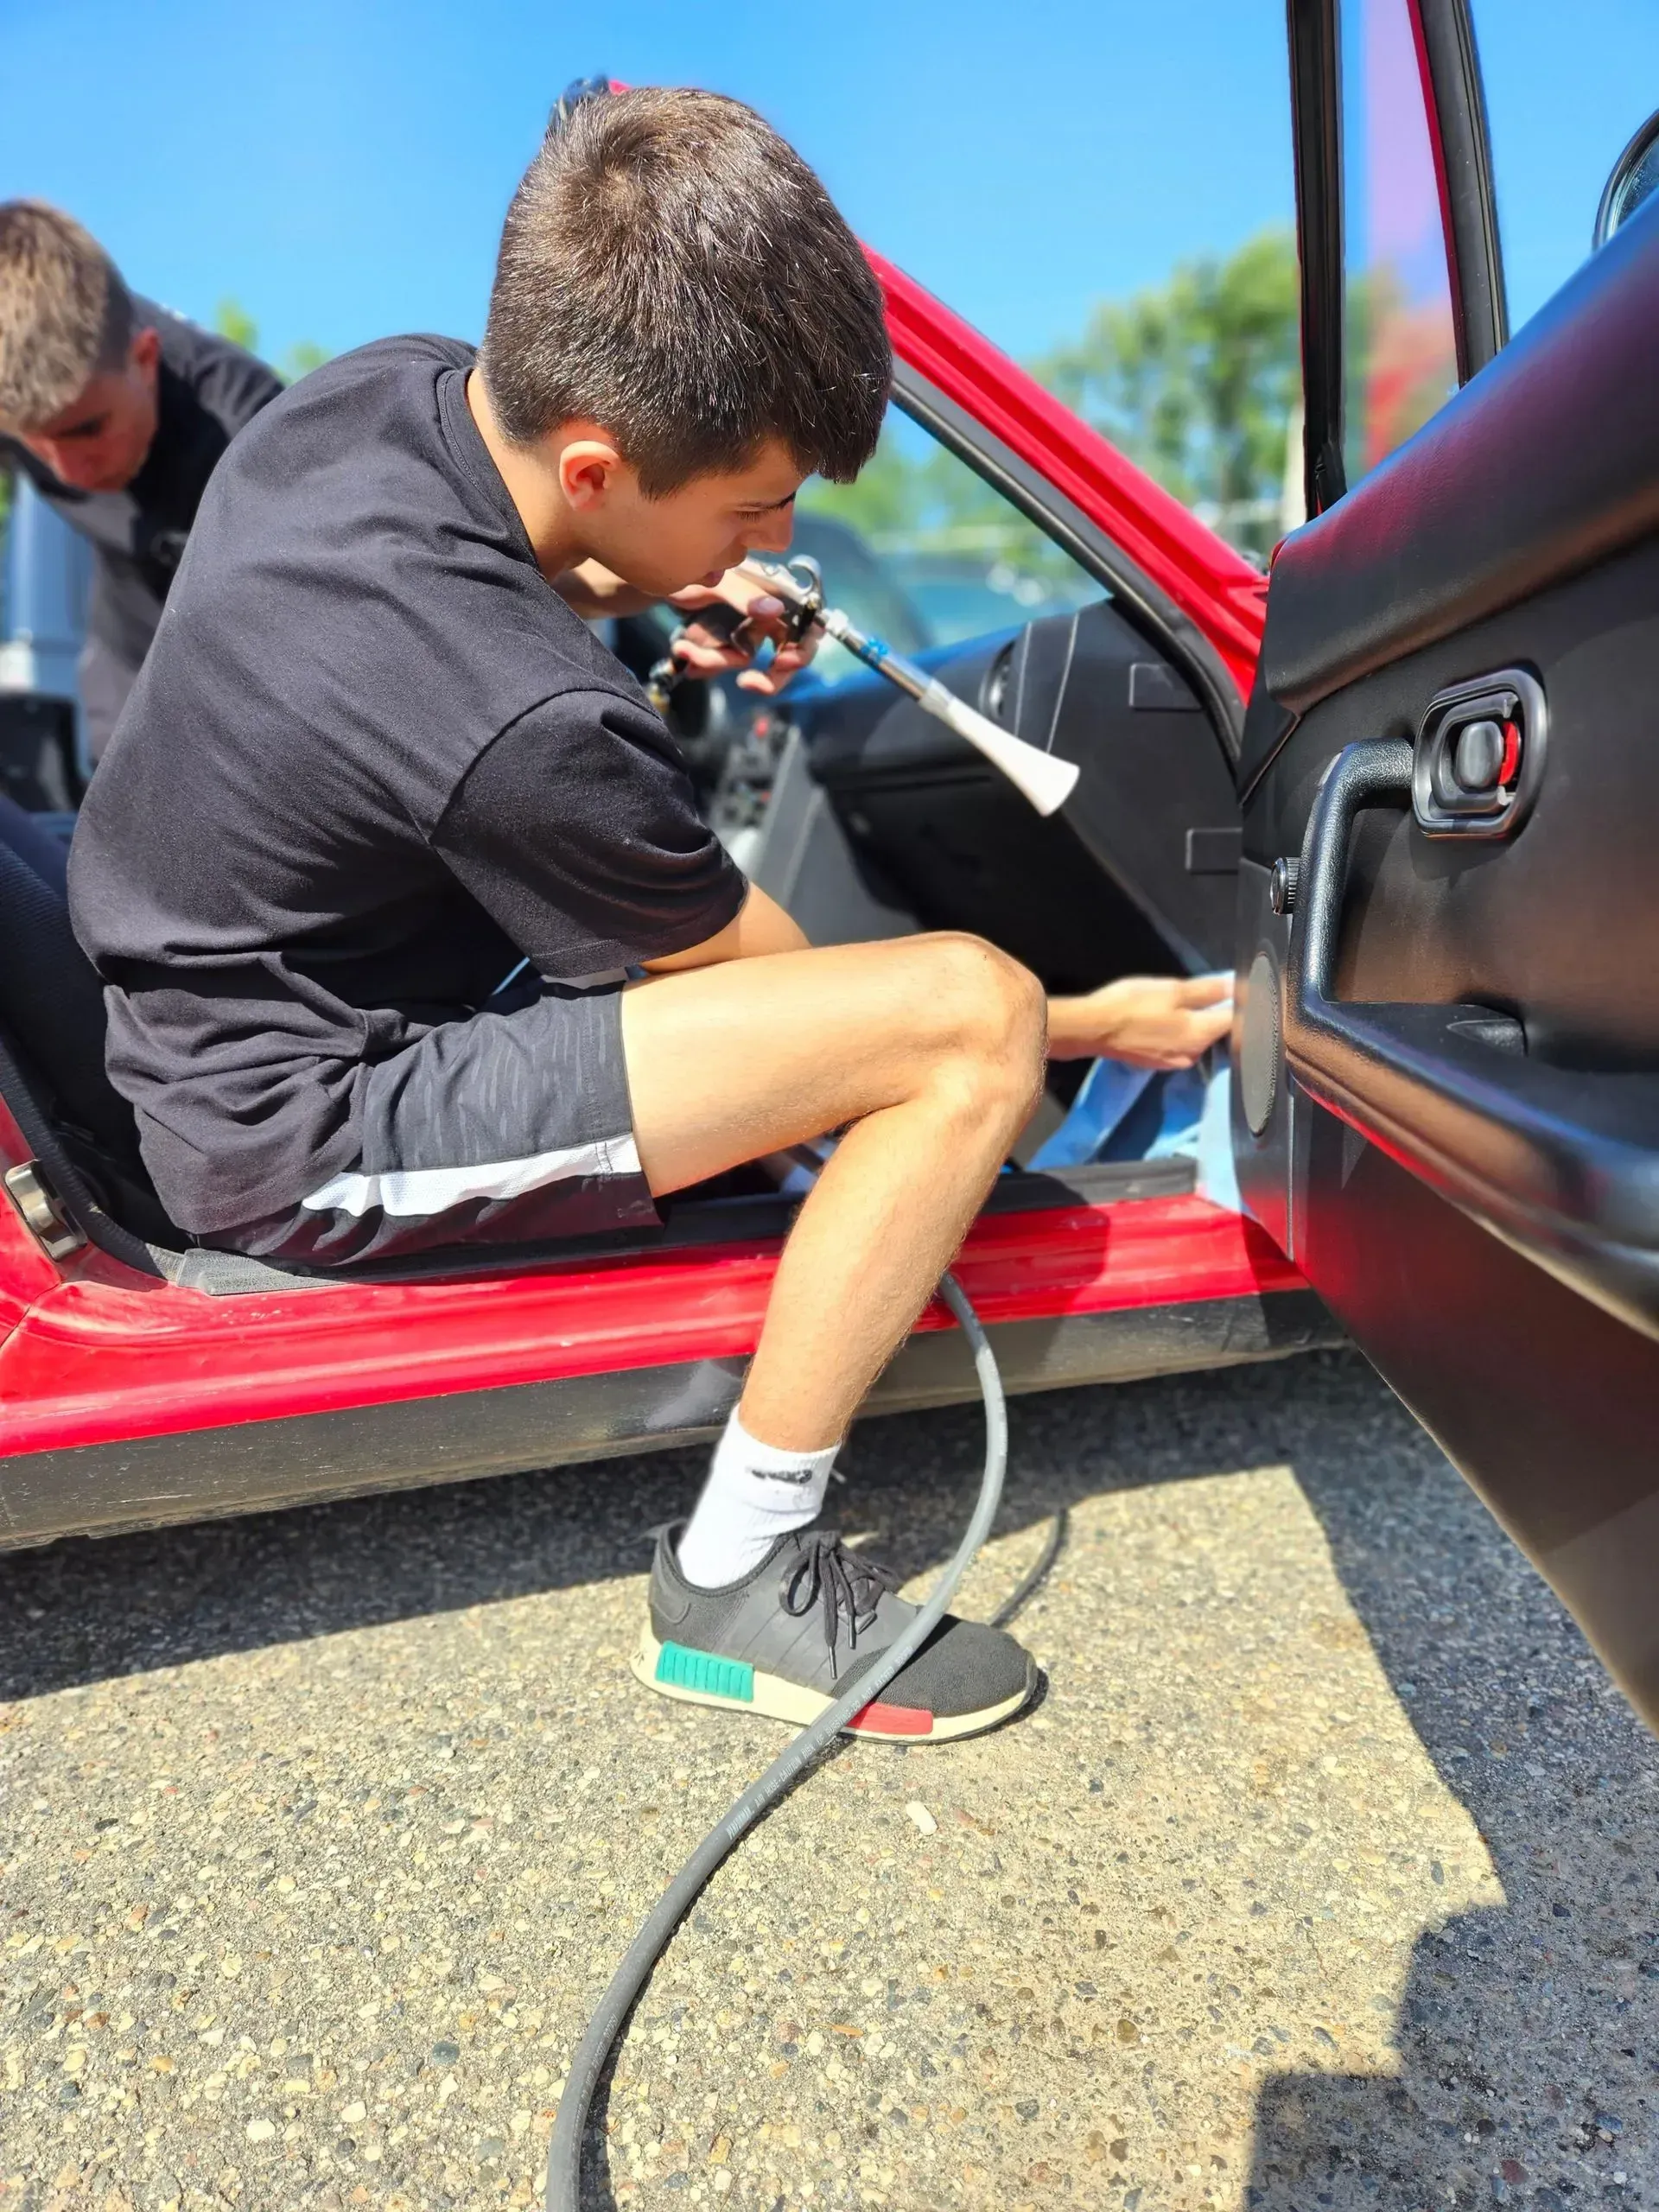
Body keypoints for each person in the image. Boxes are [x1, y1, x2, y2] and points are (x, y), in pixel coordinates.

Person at [69, 90, 1231, 1743]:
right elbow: (816, 1007)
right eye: (754, 510)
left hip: (213, 1003)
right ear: (605, 462)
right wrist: (1092, 1017)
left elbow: (492, 603)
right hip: (292, 1118)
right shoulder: (536, 730)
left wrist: (662, 578)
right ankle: (741, 1579)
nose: (779, 547)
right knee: (964, 1018)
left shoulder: (376, 396)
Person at [0, 201, 287, 759]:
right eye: (37, 441)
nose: (68, 470)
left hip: (252, 655)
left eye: (87, 429)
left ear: (145, 358)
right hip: (125, 645)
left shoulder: (254, 435)